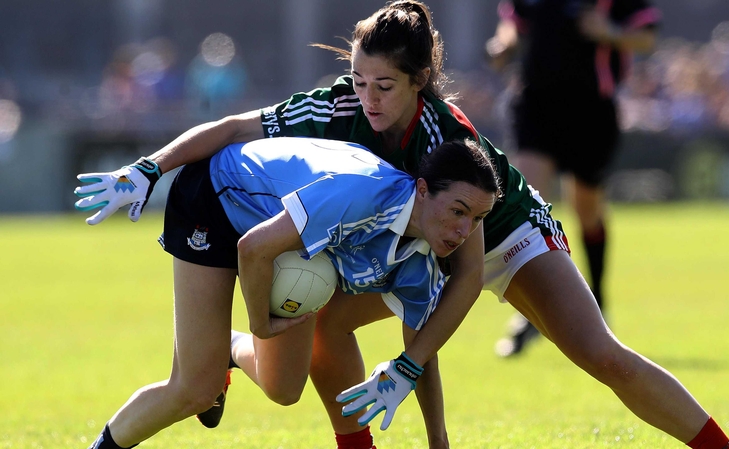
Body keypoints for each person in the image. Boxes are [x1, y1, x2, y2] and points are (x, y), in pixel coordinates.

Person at [78, 2, 729, 449]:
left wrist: (410, 372)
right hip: (423, 226)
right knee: (328, 323)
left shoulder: (438, 144)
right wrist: (149, 167)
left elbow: (465, 272)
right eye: (359, 80)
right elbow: (230, 128)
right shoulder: (340, 105)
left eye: (384, 86)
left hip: (501, 229)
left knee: (601, 355)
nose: (366, 98)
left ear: (420, 82)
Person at [75, 136, 499, 449]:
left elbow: (421, 354)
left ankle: (227, 348)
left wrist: (439, 444)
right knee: (194, 389)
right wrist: (261, 322)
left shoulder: (420, 264)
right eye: (458, 211)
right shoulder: (361, 195)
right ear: (422, 190)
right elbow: (252, 248)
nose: (465, 231)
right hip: (214, 198)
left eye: (477, 219)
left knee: (284, 390)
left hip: (280, 239)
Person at [486, 0, 662, 357]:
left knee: (587, 210)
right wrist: (503, 44)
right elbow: (515, 24)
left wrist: (609, 32)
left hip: (591, 110)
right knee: (526, 204)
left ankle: (597, 301)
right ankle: (534, 312)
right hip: (535, 104)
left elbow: (646, 39)